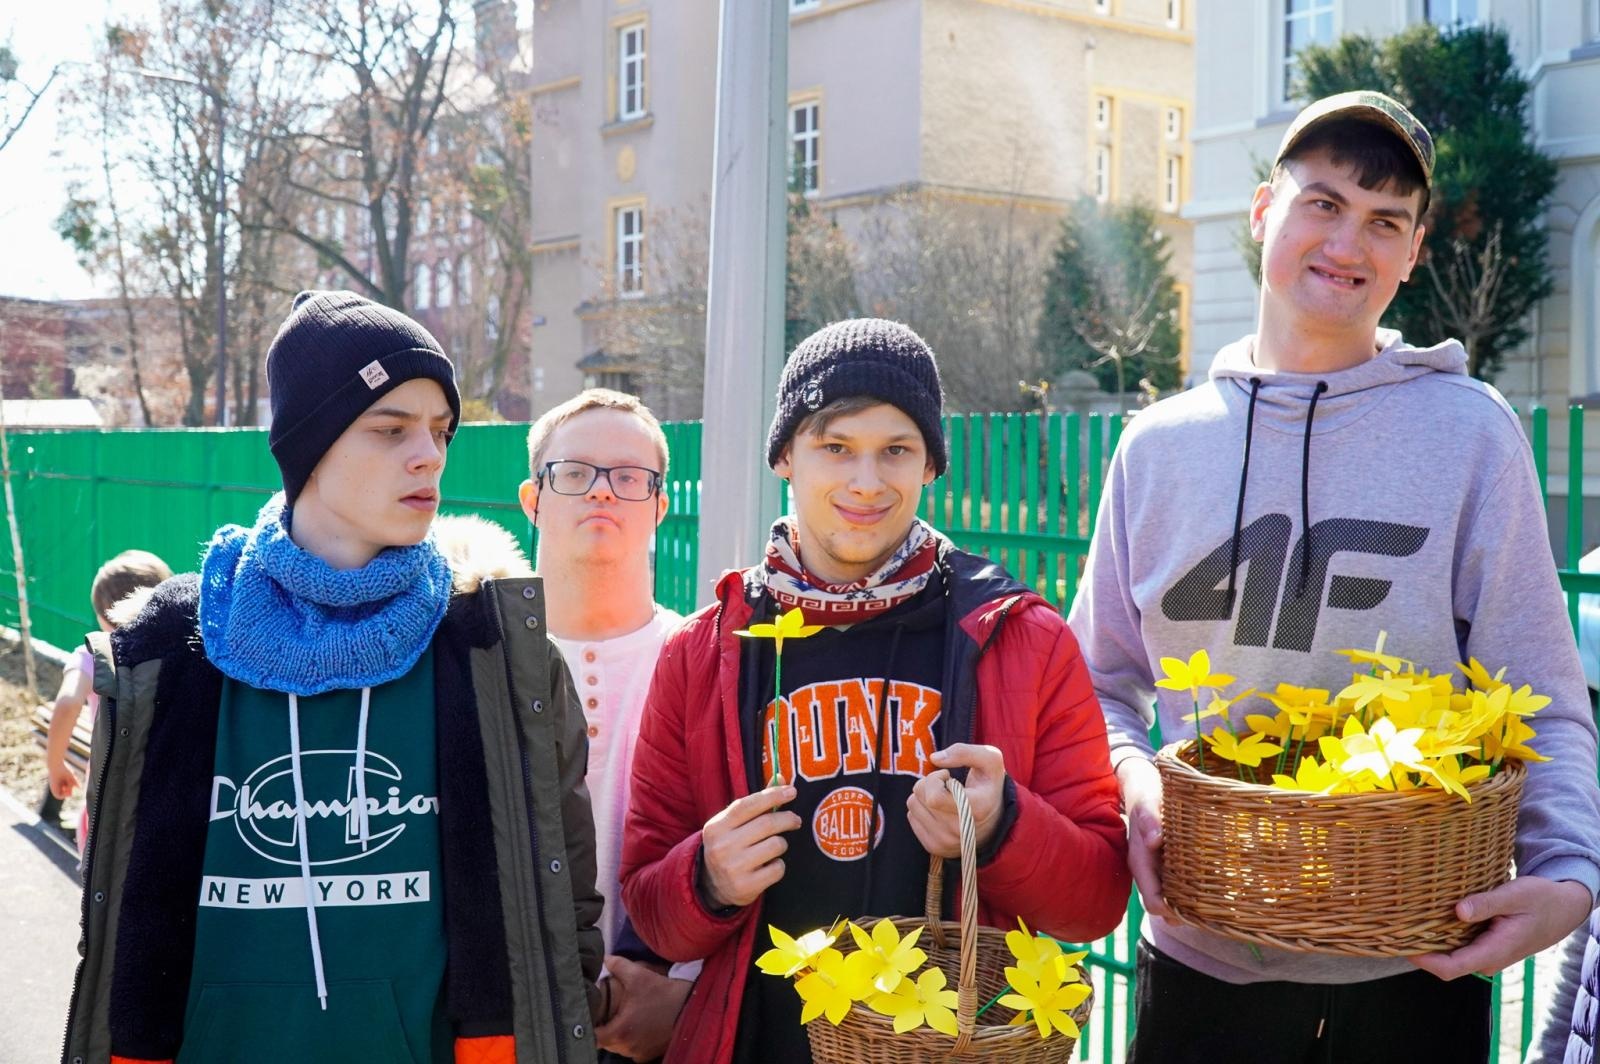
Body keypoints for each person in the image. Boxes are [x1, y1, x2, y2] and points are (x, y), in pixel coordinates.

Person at [1068, 91, 1600, 1063]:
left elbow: (1543, 693)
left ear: (1412, 252)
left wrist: (1568, 873)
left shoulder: (1470, 434)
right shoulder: (1158, 448)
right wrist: (1133, 773)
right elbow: (1092, 682)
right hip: (1200, 966)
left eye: (1383, 220)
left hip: (1414, 973)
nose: (1347, 241)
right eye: (1322, 202)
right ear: (1263, 211)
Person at [62, 290, 603, 1064]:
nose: (430, 456)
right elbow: (123, 907)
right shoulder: (171, 651)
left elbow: (564, 911)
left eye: (439, 431)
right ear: (309, 444)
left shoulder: (489, 649)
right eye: (389, 430)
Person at [619, 318, 1131, 1064]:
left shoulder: (1023, 638)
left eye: (896, 450)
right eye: (835, 447)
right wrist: (706, 876)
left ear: (930, 466)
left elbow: (1095, 902)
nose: (866, 481)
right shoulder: (704, 653)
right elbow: (650, 908)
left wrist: (1005, 827)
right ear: (785, 456)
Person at [517, 388, 696, 1062]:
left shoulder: (703, 658)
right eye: (574, 473)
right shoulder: (484, 659)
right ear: (533, 499)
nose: (602, 492)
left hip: (662, 1023)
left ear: (659, 506)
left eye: (629, 477)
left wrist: (681, 992)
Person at [43, 548, 172, 854]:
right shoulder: (179, 650)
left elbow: (66, 704)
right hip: (168, 779)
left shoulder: (93, 655)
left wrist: (55, 765)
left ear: (103, 616)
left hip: (110, 781)